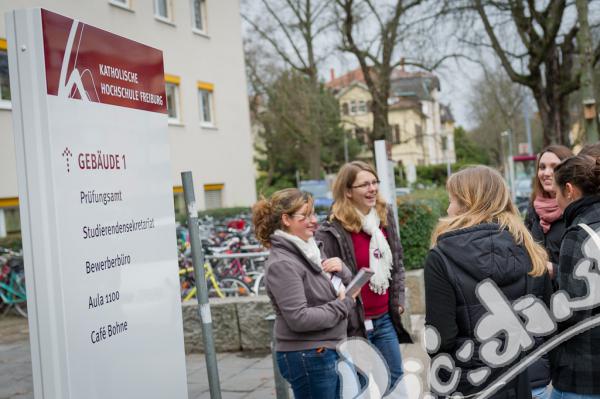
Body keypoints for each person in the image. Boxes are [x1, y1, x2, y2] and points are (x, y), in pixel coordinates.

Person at [424, 165, 548, 398]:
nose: (448, 209)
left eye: (451, 201)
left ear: (466, 203)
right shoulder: (528, 248)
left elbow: (440, 338)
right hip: (517, 376)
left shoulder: (442, 256)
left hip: (465, 381)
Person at [316, 161, 412, 391]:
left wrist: (398, 300)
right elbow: (326, 278)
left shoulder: (383, 215)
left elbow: (397, 262)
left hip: (384, 318)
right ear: (347, 191)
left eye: (374, 182)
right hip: (353, 323)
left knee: (395, 383)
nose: (372, 188)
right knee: (360, 386)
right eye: (364, 184)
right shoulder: (332, 229)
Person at [252, 188, 355, 399]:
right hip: (309, 355)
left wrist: (343, 270)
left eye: (314, 214)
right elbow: (299, 318)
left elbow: (336, 288)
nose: (314, 220)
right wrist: (343, 306)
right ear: (286, 219)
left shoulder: (311, 250)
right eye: (305, 215)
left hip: (326, 349)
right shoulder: (282, 263)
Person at [550, 155, 600, 399]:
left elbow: (571, 312)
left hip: (583, 373)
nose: (556, 201)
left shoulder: (577, 234)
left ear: (569, 190)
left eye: (556, 193)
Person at [524, 145, 572, 398]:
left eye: (554, 167)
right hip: (538, 310)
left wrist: (555, 270)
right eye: (542, 166)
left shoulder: (576, 211)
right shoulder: (532, 210)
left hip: (572, 311)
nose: (546, 172)